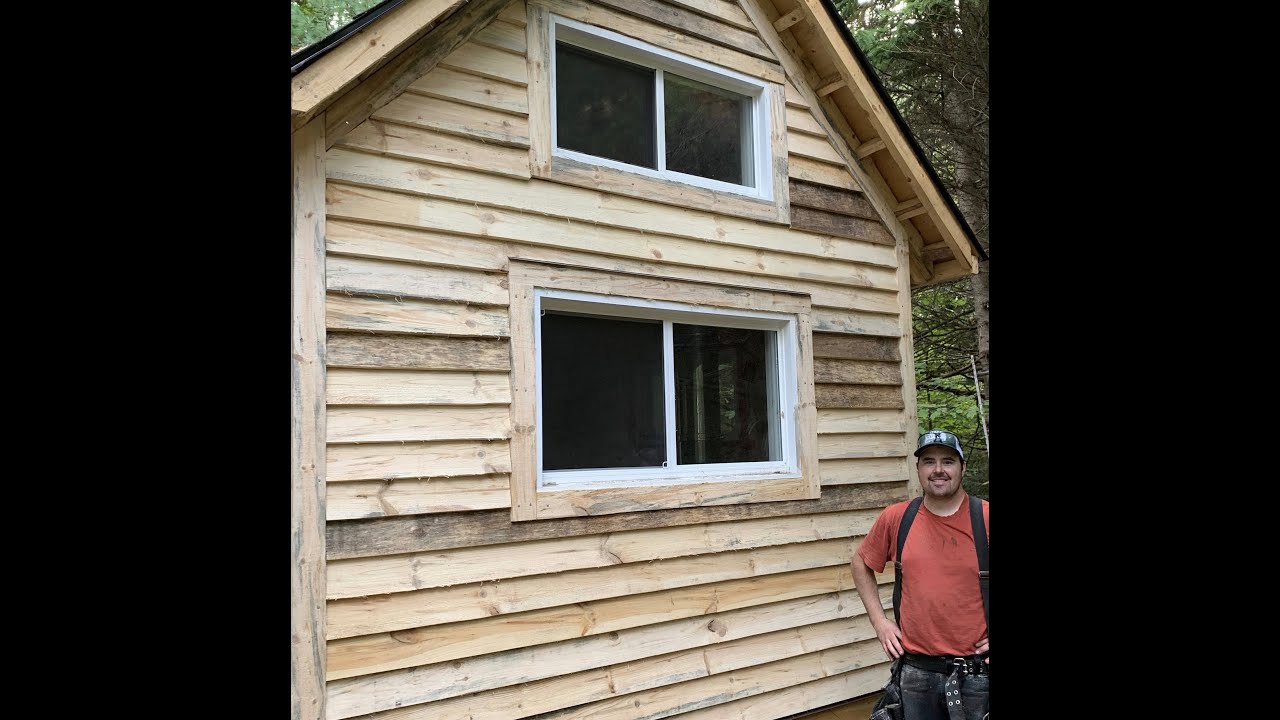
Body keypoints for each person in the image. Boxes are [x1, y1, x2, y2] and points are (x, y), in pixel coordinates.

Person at [850, 429, 989, 720]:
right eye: (929, 461)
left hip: (977, 674)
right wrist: (880, 623)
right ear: (918, 469)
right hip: (915, 673)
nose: (938, 470)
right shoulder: (898, 518)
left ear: (962, 468)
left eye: (948, 461)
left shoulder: (985, 517)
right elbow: (860, 563)